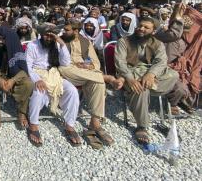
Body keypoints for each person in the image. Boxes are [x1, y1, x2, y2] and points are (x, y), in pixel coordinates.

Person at [114, 17, 186, 144]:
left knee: (173, 75)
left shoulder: (158, 43)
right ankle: (142, 126)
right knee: (141, 90)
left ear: (153, 31)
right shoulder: (124, 41)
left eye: (146, 27)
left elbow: (161, 61)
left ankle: (147, 84)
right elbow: (120, 63)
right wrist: (130, 79)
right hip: (131, 73)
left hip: (149, 74)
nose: (141, 29)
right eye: (140, 26)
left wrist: (151, 74)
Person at [58, 21, 115, 149]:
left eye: (67, 30)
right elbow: (59, 63)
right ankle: (105, 77)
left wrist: (88, 65)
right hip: (68, 72)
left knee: (99, 84)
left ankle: (95, 122)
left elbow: (95, 62)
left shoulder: (85, 42)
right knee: (64, 69)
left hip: (85, 72)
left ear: (76, 31)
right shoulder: (60, 41)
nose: (63, 32)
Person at [26, 23, 81, 147]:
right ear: (41, 35)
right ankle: (33, 125)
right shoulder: (32, 45)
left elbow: (65, 63)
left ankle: (69, 126)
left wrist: (61, 44)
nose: (49, 38)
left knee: (72, 91)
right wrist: (37, 80)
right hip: (38, 73)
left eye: (52, 36)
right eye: (46, 35)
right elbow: (28, 66)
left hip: (54, 74)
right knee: (39, 91)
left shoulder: (56, 44)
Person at [0, 26, 34, 130]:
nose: (0, 41)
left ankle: (21, 112)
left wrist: (12, 80)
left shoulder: (16, 48)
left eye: (3, 39)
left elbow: (24, 71)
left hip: (13, 75)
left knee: (28, 83)